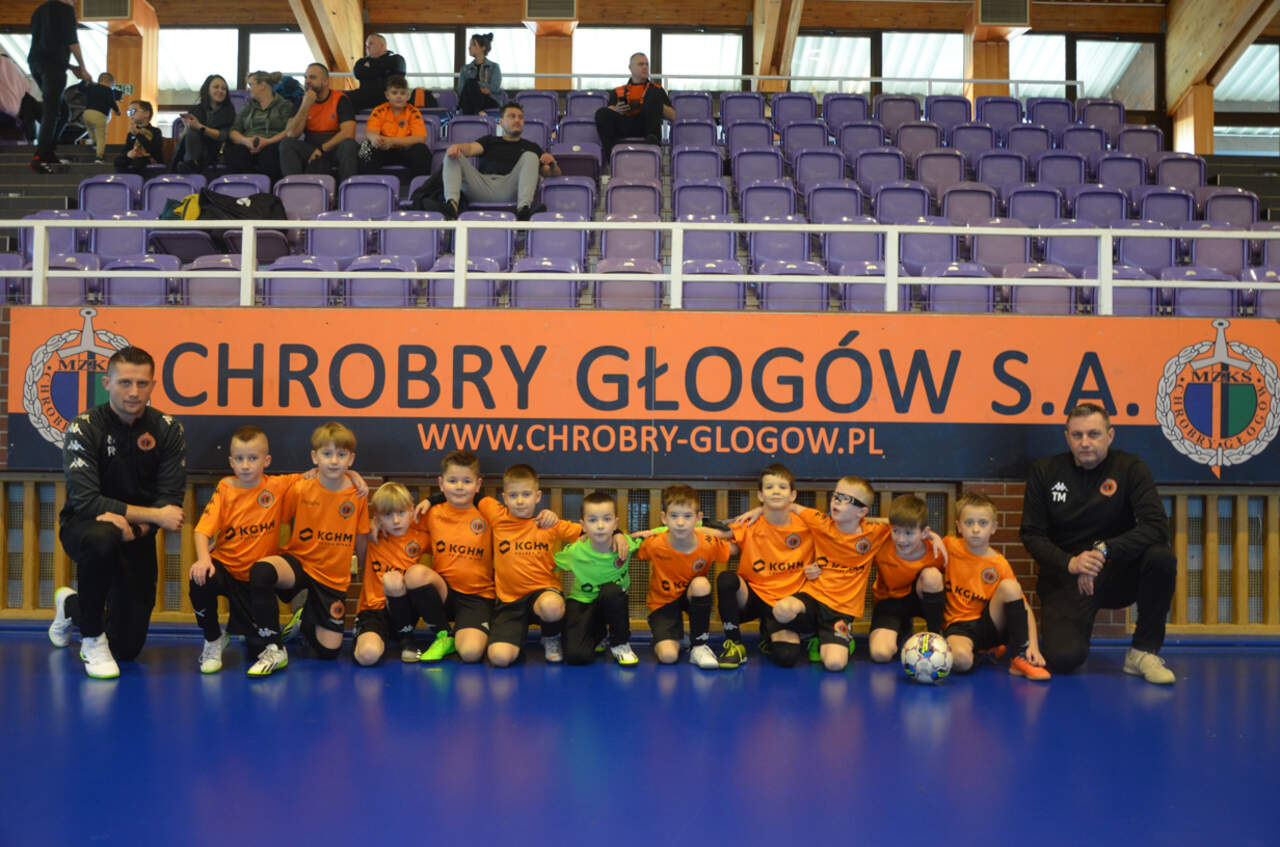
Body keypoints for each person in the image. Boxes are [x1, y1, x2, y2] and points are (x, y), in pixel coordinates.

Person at [47, 347, 187, 679]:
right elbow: (87, 501)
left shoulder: (168, 429)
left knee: (126, 648)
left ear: (153, 385)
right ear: (107, 383)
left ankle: (70, 605)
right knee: (103, 536)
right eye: (125, 382)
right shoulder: (84, 427)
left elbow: (170, 502)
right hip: (85, 527)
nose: (133, 392)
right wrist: (152, 517)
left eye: (142, 383)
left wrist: (134, 529)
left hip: (138, 537)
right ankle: (92, 639)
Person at [1020, 403, 1177, 684]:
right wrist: (1071, 563)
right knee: (1063, 659)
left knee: (1161, 558)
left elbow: (1157, 527)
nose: (1085, 442)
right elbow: (1031, 534)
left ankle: (1143, 652)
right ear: (1067, 436)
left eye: (1093, 434)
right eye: (1077, 435)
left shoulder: (1130, 468)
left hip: (1116, 571)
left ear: (1110, 435)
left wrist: (1102, 551)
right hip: (1066, 575)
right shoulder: (1045, 471)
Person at [243, 422, 369, 677]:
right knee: (261, 571)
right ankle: (274, 647)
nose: (334, 460)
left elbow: (362, 539)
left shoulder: (357, 494)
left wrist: (367, 576)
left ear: (351, 459)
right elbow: (273, 520)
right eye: (327, 453)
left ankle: (305, 619)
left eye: (341, 454)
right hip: (299, 563)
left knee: (328, 652)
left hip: (331, 577)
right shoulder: (301, 487)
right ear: (314, 457)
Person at [188, 427, 302, 674]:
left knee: (255, 648)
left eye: (253, 458)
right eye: (239, 459)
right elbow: (201, 531)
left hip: (255, 579)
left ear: (266, 461)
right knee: (199, 578)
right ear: (231, 462)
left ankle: (268, 643)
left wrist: (354, 476)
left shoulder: (278, 485)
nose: (246, 465)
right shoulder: (226, 487)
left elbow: (318, 475)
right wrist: (203, 559)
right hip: (226, 569)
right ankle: (213, 638)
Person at [714, 464, 815, 669]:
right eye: (769, 487)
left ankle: (768, 632)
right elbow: (717, 534)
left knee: (787, 657)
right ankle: (735, 645)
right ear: (760, 495)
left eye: (782, 487)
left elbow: (843, 526)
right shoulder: (749, 523)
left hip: (786, 603)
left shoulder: (809, 524)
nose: (776, 491)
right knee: (726, 580)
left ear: (793, 495)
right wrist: (668, 532)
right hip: (755, 597)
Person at [943, 492, 1050, 681]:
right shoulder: (949, 546)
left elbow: (1024, 606)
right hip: (959, 627)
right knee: (961, 662)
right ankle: (982, 652)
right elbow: (918, 540)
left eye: (983, 523)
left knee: (1010, 587)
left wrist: (1033, 645)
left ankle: (1019, 657)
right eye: (969, 523)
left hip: (989, 625)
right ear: (959, 526)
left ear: (993, 527)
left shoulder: (999, 563)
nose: (976, 529)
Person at [633, 484, 730, 670]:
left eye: (687, 516)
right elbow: (627, 547)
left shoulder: (708, 543)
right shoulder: (654, 544)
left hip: (690, 596)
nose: (680, 522)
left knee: (701, 584)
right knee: (668, 657)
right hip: (663, 602)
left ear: (698, 518)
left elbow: (737, 547)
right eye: (674, 516)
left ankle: (699, 646)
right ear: (664, 518)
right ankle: (675, 638)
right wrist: (618, 537)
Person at [418, 450, 497, 663]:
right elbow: (400, 532)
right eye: (452, 481)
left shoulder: (489, 514)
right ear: (441, 483)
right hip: (444, 593)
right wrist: (377, 524)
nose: (460, 486)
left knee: (470, 654)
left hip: (477, 597)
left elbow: (518, 524)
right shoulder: (431, 513)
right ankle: (443, 635)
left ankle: (464, 634)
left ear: (478, 484)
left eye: (466, 481)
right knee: (416, 575)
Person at [353, 482, 441, 666]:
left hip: (404, 611)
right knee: (367, 656)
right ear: (378, 516)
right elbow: (351, 524)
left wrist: (432, 501)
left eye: (401, 513)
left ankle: (407, 640)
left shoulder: (420, 537)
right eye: (387, 515)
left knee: (394, 580)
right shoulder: (369, 537)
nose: (395, 521)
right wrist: (370, 525)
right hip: (373, 611)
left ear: (411, 511)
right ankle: (373, 637)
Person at [555, 492, 642, 666]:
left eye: (607, 519)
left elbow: (660, 536)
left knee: (612, 591)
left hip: (611, 601)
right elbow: (546, 565)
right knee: (576, 656)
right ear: (583, 525)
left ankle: (620, 644)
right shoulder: (575, 551)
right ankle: (598, 635)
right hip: (582, 602)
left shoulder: (625, 544)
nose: (600, 526)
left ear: (615, 523)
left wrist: (620, 534)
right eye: (593, 520)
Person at [441, 101, 558, 221]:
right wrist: (457, 147)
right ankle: (451, 208)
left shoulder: (532, 147)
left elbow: (550, 173)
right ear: (501, 122)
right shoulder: (489, 141)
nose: (517, 120)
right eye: (512, 116)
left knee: (531, 156)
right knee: (452, 155)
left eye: (520, 117)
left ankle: (524, 210)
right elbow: (470, 149)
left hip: (511, 188)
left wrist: (552, 164)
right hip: (482, 186)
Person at [867, 494, 947, 662]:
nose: (901, 539)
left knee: (932, 576)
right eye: (896, 531)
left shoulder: (937, 551)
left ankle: (935, 636)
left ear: (924, 532)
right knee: (880, 654)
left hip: (919, 599)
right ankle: (902, 630)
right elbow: (857, 520)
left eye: (909, 533)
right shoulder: (882, 538)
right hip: (889, 601)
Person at [27, 0, 91, 173]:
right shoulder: (66, 10)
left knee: (63, 112)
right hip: (53, 68)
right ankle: (40, 157)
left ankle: (48, 152)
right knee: (52, 111)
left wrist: (70, 67)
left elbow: (45, 46)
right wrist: (83, 67)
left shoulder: (39, 10)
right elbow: (72, 41)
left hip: (36, 64)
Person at [280, 62, 359, 185]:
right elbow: (291, 133)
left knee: (349, 145)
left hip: (334, 146)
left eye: (312, 77)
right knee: (286, 144)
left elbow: (349, 133)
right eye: (306, 77)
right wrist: (305, 106)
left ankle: (347, 188)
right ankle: (294, 187)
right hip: (311, 145)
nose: (307, 81)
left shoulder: (340, 99)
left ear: (325, 81)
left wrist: (322, 149)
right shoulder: (302, 100)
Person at [594, 52, 674, 159]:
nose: (645, 67)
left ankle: (653, 146)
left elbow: (673, 116)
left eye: (647, 64)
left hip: (647, 127)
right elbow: (608, 113)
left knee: (652, 94)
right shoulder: (618, 91)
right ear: (630, 68)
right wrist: (616, 109)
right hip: (625, 124)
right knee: (601, 113)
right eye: (641, 64)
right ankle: (611, 157)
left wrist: (655, 104)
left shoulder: (657, 90)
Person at [225, 71, 295, 181]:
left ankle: (266, 188)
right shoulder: (248, 107)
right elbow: (234, 131)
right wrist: (246, 141)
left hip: (272, 143)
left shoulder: (284, 105)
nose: (248, 89)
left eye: (251, 84)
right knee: (234, 152)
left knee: (270, 153)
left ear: (262, 85)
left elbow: (289, 131)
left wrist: (268, 141)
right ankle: (244, 186)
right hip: (248, 143)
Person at [359, 75, 429, 175]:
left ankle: (418, 184)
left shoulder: (414, 112)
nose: (399, 96)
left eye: (402, 93)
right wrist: (375, 138)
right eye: (394, 93)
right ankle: (369, 182)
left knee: (421, 150)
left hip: (405, 150)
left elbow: (420, 138)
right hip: (384, 150)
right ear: (387, 95)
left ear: (408, 96)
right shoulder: (379, 110)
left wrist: (392, 141)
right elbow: (371, 132)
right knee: (365, 147)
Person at [175, 73, 235, 173]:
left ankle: (191, 163)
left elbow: (224, 136)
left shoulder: (229, 111)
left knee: (194, 130)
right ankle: (190, 162)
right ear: (207, 89)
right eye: (216, 87)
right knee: (190, 131)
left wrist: (199, 127)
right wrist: (187, 126)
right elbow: (184, 136)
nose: (220, 91)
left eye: (223, 89)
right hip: (197, 148)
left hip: (217, 150)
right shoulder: (197, 109)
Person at [67, 72, 118, 164]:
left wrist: (84, 81)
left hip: (86, 114)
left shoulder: (91, 87)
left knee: (91, 130)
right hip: (98, 115)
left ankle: (94, 142)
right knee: (101, 136)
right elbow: (112, 103)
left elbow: (81, 89)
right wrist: (117, 111)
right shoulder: (108, 90)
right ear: (110, 83)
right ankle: (99, 157)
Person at [349, 33, 406, 112]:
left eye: (370, 43)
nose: (367, 47)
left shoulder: (396, 59)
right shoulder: (362, 61)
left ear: (382, 45)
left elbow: (397, 70)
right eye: (366, 44)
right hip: (364, 95)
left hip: (386, 96)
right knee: (344, 98)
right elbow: (357, 73)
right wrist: (382, 71)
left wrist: (370, 66)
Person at [112, 99, 163, 174]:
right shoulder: (131, 133)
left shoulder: (155, 131)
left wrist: (138, 134)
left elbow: (153, 149)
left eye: (133, 111)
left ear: (146, 113)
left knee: (139, 161)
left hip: (149, 158)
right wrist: (128, 154)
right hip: (134, 158)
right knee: (118, 160)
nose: (131, 115)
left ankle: (136, 180)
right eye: (129, 112)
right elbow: (125, 149)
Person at [457, 32, 502, 116]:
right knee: (470, 84)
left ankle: (473, 115)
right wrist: (479, 88)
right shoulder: (465, 69)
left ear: (483, 48)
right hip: (469, 100)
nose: (469, 47)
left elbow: (495, 88)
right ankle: (479, 111)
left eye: (473, 45)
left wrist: (476, 86)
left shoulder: (494, 67)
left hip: (489, 100)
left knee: (470, 83)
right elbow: (461, 90)